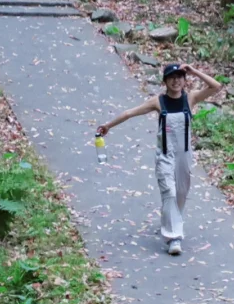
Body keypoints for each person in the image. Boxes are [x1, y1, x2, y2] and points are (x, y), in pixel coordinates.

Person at [95, 62, 224, 255]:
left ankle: (172, 220)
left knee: (181, 193)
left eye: (179, 77)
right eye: (171, 78)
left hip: (184, 155)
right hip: (165, 155)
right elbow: (129, 113)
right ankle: (174, 238)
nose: (176, 81)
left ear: (184, 80)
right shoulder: (158, 101)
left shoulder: (190, 98)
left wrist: (193, 71)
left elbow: (216, 86)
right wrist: (108, 126)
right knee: (169, 192)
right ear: (165, 81)